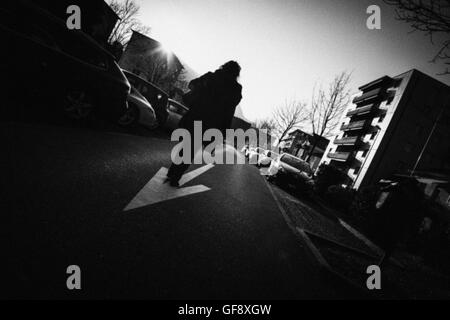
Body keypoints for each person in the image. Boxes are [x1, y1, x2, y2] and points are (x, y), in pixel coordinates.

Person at [166, 61, 242, 187]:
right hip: (212, 125)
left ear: (223, 67)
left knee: (187, 147)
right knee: (191, 150)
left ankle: (172, 172)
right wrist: (222, 133)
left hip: (195, 116)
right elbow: (229, 113)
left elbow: (192, 85)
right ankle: (175, 176)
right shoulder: (235, 90)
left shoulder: (211, 77)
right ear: (236, 74)